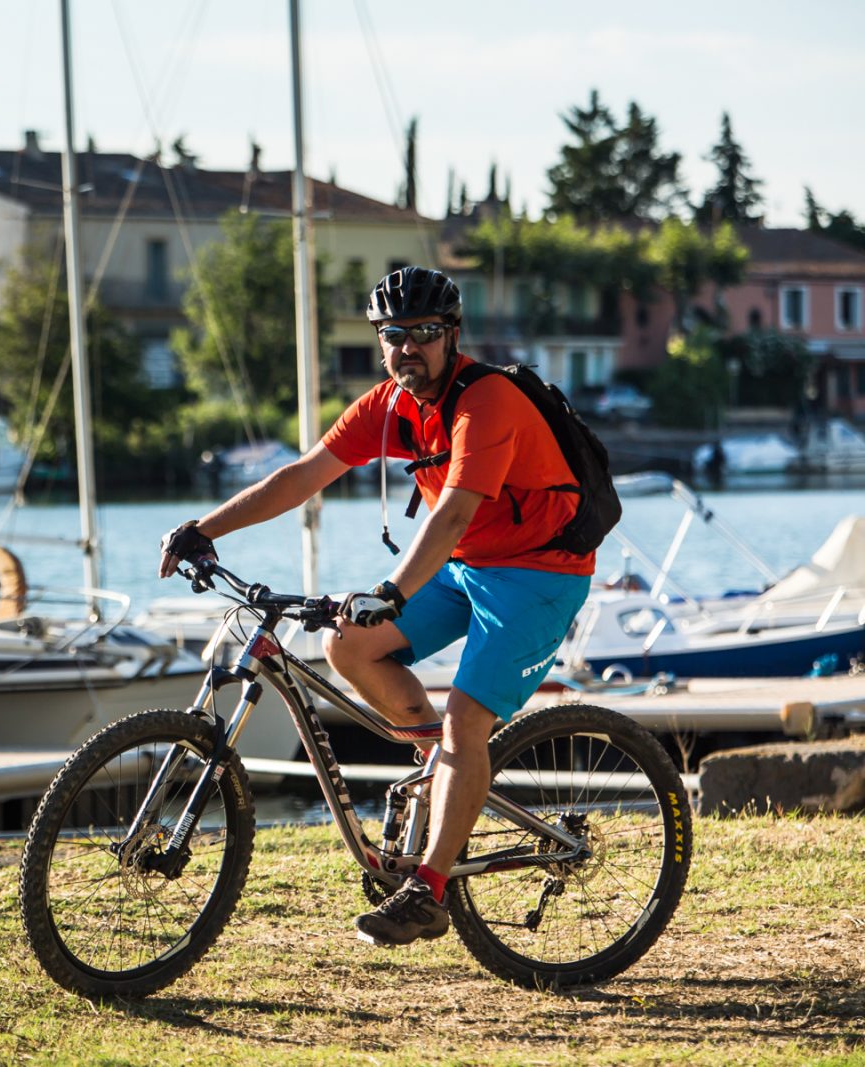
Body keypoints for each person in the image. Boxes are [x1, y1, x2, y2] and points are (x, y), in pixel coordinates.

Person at [158, 266, 595, 947]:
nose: (408, 348)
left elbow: (450, 513)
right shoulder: (391, 405)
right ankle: (437, 772)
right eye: (395, 335)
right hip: (467, 564)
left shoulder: (490, 400)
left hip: (540, 571)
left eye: (424, 334)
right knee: (347, 644)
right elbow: (303, 475)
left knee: (467, 715)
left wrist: (391, 591)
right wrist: (204, 528)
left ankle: (430, 889)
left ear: (452, 337)